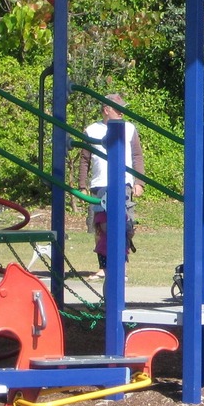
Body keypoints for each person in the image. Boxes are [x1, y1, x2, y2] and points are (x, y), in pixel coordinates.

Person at [77, 93, 145, 279]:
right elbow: (85, 159)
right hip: (100, 184)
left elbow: (137, 156)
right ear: (106, 110)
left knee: (126, 224)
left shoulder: (129, 128)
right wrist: (82, 184)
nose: (121, 112)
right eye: (117, 109)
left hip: (123, 184)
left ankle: (121, 266)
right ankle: (104, 267)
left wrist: (139, 182)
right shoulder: (92, 130)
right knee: (101, 227)